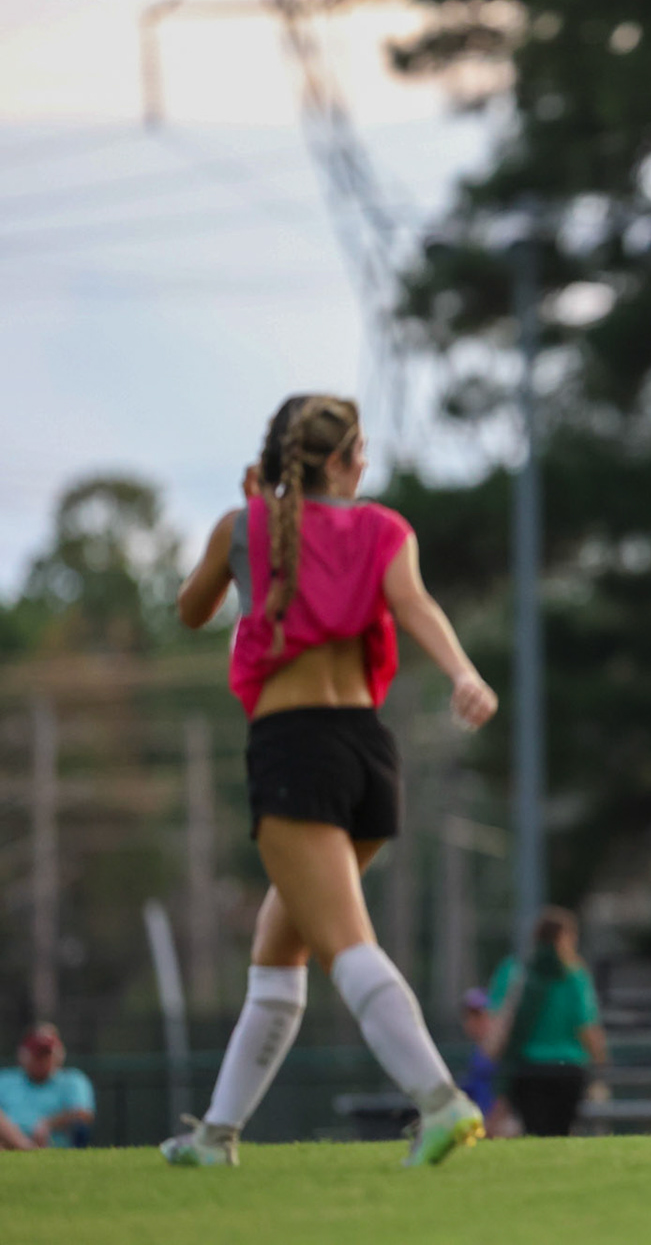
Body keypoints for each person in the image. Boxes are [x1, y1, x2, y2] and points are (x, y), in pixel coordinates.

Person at [164, 395, 497, 1168]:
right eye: (362, 453)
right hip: (369, 758)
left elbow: (189, 610)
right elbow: (414, 606)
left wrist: (250, 515)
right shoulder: (385, 529)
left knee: (345, 945)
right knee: (280, 948)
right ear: (345, 461)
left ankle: (441, 1101)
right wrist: (463, 675)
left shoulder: (244, 526)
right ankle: (216, 1137)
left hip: (295, 752)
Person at [489, 907, 609, 1138]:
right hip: (569, 1068)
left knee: (534, 1133)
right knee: (561, 1133)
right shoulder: (574, 975)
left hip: (528, 1067)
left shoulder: (516, 971)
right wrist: (601, 1063)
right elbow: (587, 1026)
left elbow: (498, 1021)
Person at [0, 1026, 94, 1150]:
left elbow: (83, 1113)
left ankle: (27, 1149)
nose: (43, 1061)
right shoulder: (6, 1079)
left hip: (52, 1143)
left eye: (47, 1055)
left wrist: (48, 1124)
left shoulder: (72, 1080)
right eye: (37, 1056)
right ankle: (26, 1147)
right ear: (23, 1056)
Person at [456, 988, 503, 1135]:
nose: (472, 1022)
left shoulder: (501, 1051)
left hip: (500, 1123)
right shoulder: (477, 1052)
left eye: (478, 1016)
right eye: (468, 1017)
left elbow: (506, 1093)